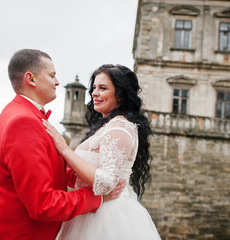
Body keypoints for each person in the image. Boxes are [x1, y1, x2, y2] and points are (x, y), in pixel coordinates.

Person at [0, 49, 125, 240]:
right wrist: (95, 197)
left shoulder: (21, 114)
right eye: (52, 75)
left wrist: (80, 176)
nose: (57, 82)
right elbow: (43, 205)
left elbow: (40, 170)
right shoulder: (23, 122)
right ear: (30, 79)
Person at [43, 64, 161, 239]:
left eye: (103, 88)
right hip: (90, 212)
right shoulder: (108, 126)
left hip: (108, 216)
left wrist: (65, 151)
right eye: (94, 88)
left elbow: (106, 183)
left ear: (120, 94)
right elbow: (87, 173)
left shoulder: (119, 129)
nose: (94, 93)